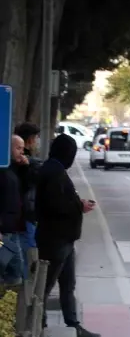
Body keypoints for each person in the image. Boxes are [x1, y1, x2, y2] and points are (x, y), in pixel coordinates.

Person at [36, 134, 100, 337]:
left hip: (65, 240)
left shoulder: (56, 170)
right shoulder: (53, 172)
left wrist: (77, 204)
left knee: (67, 285)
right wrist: (79, 206)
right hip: (55, 239)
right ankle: (40, 323)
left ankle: (73, 324)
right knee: (46, 285)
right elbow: (54, 205)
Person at [13, 122, 42, 278]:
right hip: (24, 219)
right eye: (36, 138)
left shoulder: (24, 163)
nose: (37, 141)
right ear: (30, 139)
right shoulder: (26, 164)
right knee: (25, 258)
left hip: (23, 218)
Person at [0, 135, 28, 286]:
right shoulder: (2, 169)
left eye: (23, 149)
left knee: (14, 270)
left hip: (12, 228)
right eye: (18, 148)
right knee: (15, 270)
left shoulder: (13, 169)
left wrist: (24, 168)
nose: (21, 153)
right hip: (4, 231)